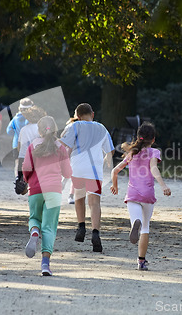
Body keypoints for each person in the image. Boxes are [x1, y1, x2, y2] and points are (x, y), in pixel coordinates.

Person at [110, 122, 171, 270]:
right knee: (145, 228)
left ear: (138, 137)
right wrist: (163, 185)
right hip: (147, 195)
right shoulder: (154, 153)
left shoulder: (131, 153)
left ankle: (134, 223)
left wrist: (115, 185)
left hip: (132, 194)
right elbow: (153, 168)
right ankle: (141, 261)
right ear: (153, 139)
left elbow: (115, 171)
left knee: (136, 221)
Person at [59, 103, 114, 252]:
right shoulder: (101, 128)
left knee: (79, 197)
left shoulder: (75, 126)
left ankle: (81, 226)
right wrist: (105, 161)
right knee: (95, 202)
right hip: (94, 170)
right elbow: (110, 151)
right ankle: (95, 233)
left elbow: (63, 144)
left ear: (77, 116)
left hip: (77, 168)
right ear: (93, 114)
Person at [22, 116, 72, 276]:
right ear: (55, 128)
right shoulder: (60, 148)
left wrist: (27, 181)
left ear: (39, 130)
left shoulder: (33, 145)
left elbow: (26, 169)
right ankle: (45, 264)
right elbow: (67, 173)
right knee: (50, 227)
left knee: (34, 217)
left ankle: (34, 232)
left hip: (36, 189)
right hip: (54, 190)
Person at [17, 106, 47, 194]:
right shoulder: (40, 129)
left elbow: (19, 145)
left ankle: (23, 182)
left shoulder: (23, 129)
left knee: (22, 186)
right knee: (37, 179)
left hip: (23, 156)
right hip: (37, 157)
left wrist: (21, 155)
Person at [6, 98, 33, 193]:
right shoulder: (29, 119)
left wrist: (15, 134)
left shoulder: (15, 118)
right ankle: (25, 180)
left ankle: (17, 178)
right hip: (27, 144)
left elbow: (8, 131)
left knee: (17, 163)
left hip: (15, 144)